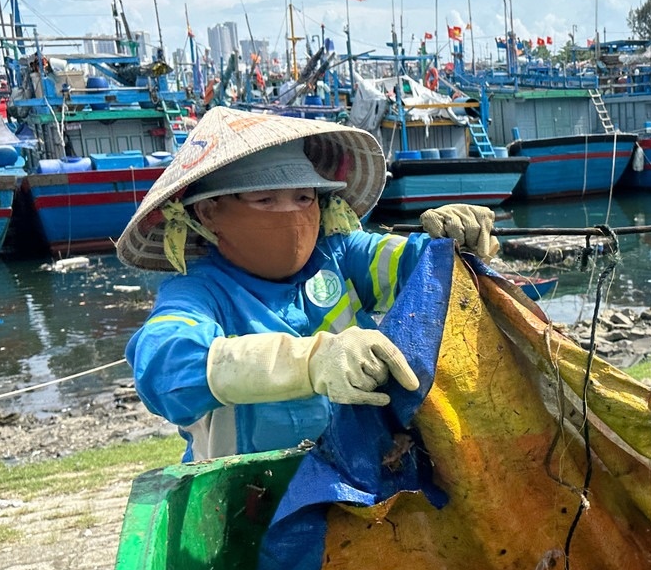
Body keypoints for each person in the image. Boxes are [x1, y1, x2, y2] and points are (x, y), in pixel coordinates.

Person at [117, 107, 497, 461]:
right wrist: (310, 362)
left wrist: (449, 243)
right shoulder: (199, 292)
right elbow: (162, 367)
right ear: (209, 211)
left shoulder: (340, 255)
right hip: (248, 490)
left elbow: (417, 270)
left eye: (303, 197)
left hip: (368, 471)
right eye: (265, 200)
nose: (291, 215)